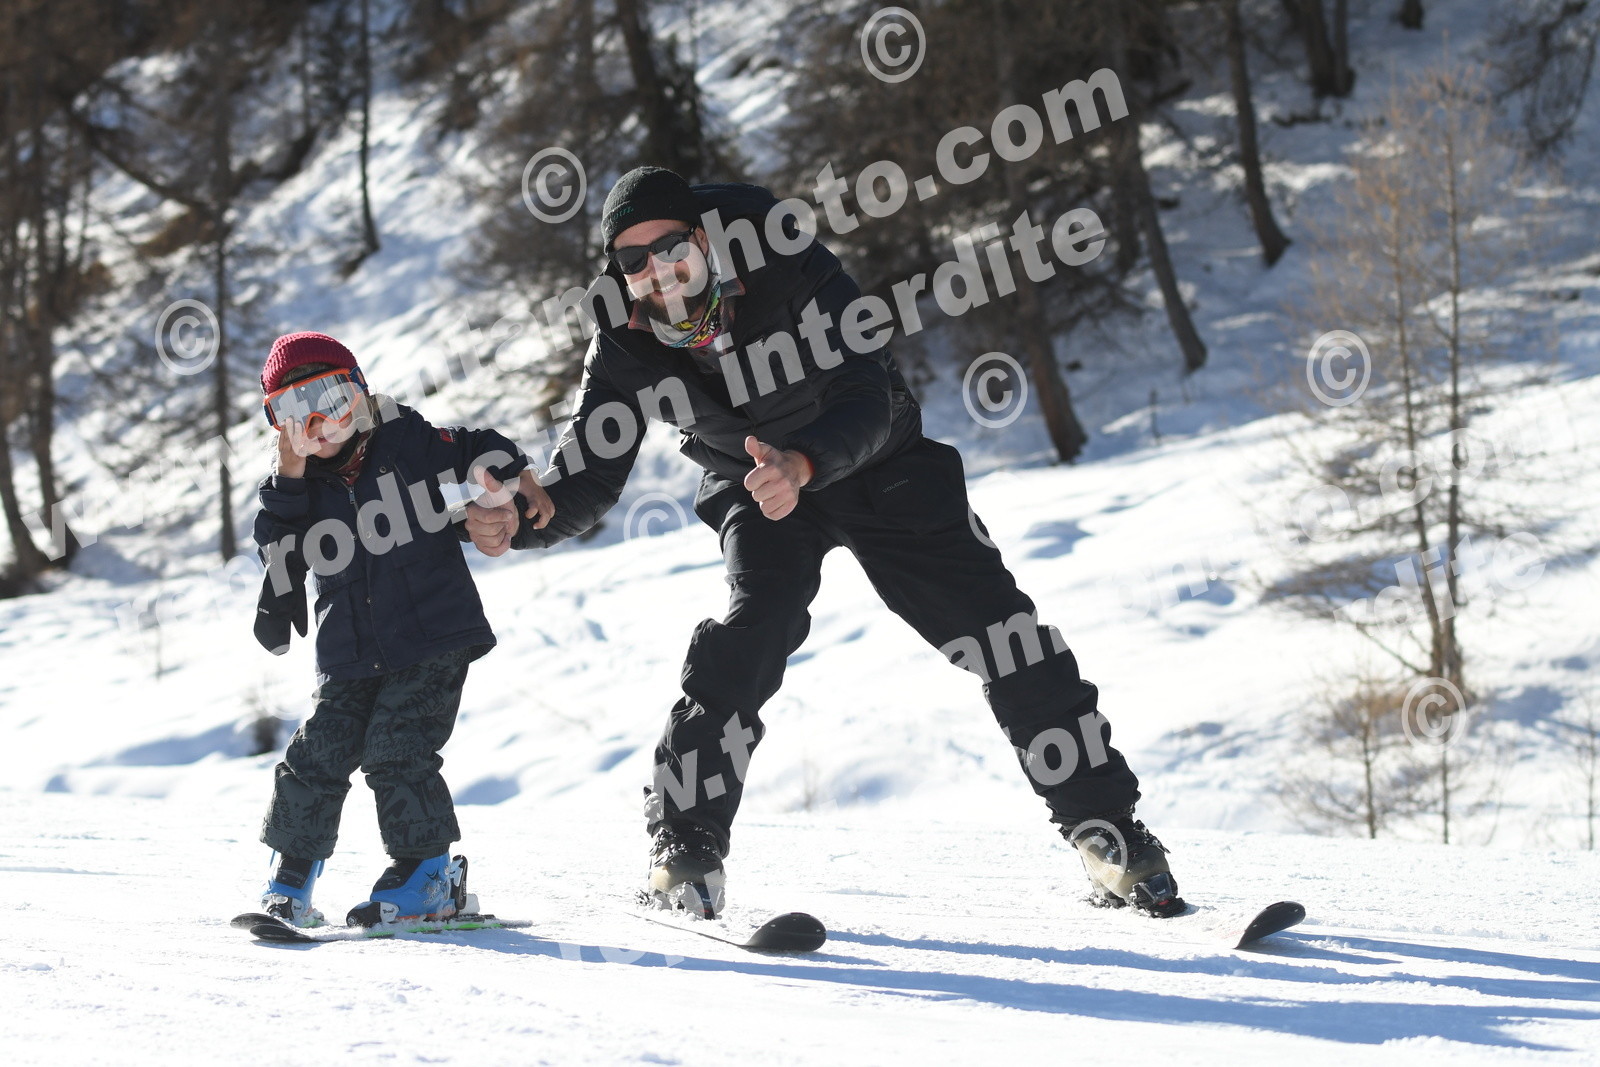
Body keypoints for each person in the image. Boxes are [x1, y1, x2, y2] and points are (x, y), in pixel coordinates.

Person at [466, 167, 1182, 919]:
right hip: (757, 487)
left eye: (670, 247)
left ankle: (1109, 832)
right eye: (633, 260)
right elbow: (587, 473)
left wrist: (803, 463)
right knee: (749, 634)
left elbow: (865, 391)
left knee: (1000, 632)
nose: (657, 272)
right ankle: (685, 846)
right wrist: (521, 518)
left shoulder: (787, 260)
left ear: (703, 238)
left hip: (880, 466)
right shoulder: (623, 339)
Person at [250, 330, 546, 927]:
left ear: (360, 393)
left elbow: (475, 447)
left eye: (331, 400)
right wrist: (289, 478)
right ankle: (292, 878)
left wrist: (518, 474)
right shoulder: (294, 491)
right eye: (295, 414)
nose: (319, 425)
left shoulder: (405, 440)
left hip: (431, 635)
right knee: (315, 754)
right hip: (349, 651)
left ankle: (428, 874)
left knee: (398, 747)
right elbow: (278, 553)